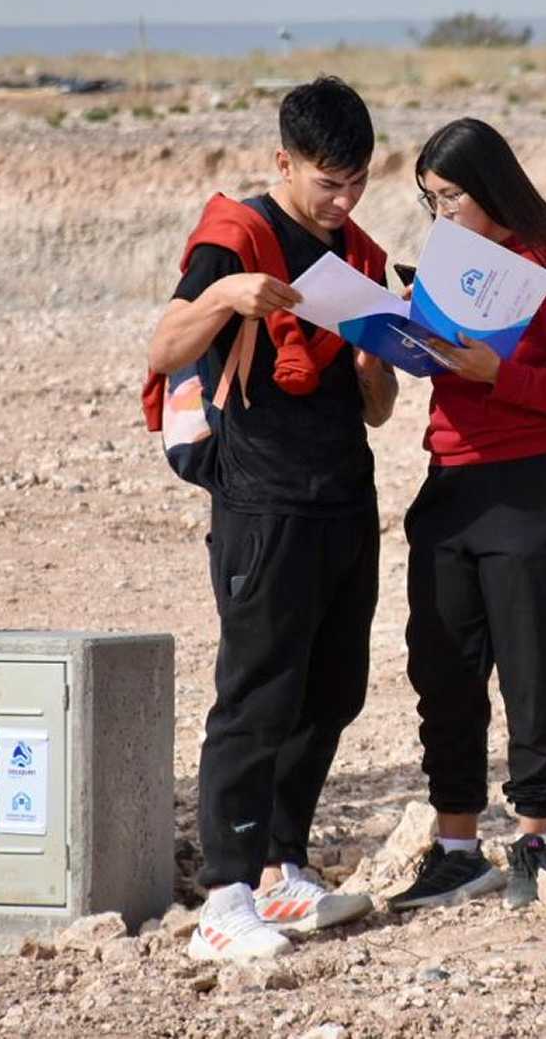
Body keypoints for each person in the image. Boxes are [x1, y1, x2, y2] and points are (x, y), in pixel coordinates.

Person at [147, 76, 397, 961]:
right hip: (262, 501)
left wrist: (378, 356)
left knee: (332, 688)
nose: (344, 198)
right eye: (328, 182)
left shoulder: (360, 252)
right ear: (282, 161)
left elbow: (377, 409)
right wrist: (228, 298)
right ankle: (225, 893)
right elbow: (164, 346)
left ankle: (284, 867)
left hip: (343, 497)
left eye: (358, 180)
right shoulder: (237, 238)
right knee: (255, 693)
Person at [386, 118, 546, 913]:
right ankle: (456, 846)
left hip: (536, 485)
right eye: (429, 199)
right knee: (442, 664)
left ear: (492, 190)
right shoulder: (450, 267)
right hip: (452, 481)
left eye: (451, 196)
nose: (441, 212)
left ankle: (533, 837)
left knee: (530, 663)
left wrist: (500, 373)